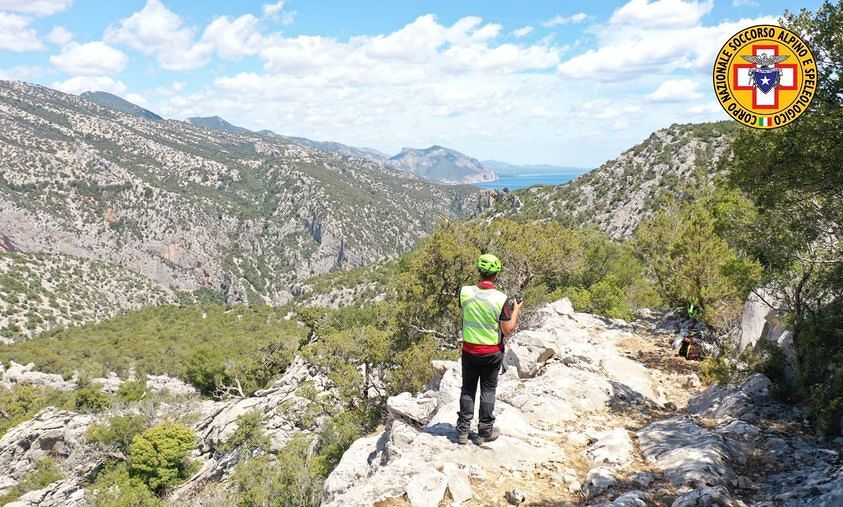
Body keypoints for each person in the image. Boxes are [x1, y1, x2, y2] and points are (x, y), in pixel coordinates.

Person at [456, 253, 522, 445]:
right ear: (496, 274)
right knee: (488, 389)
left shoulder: (465, 292)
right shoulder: (501, 299)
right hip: (491, 352)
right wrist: (516, 310)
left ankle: (462, 431)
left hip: (469, 349)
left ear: (479, 271)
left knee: (467, 388)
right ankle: (485, 430)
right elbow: (507, 329)